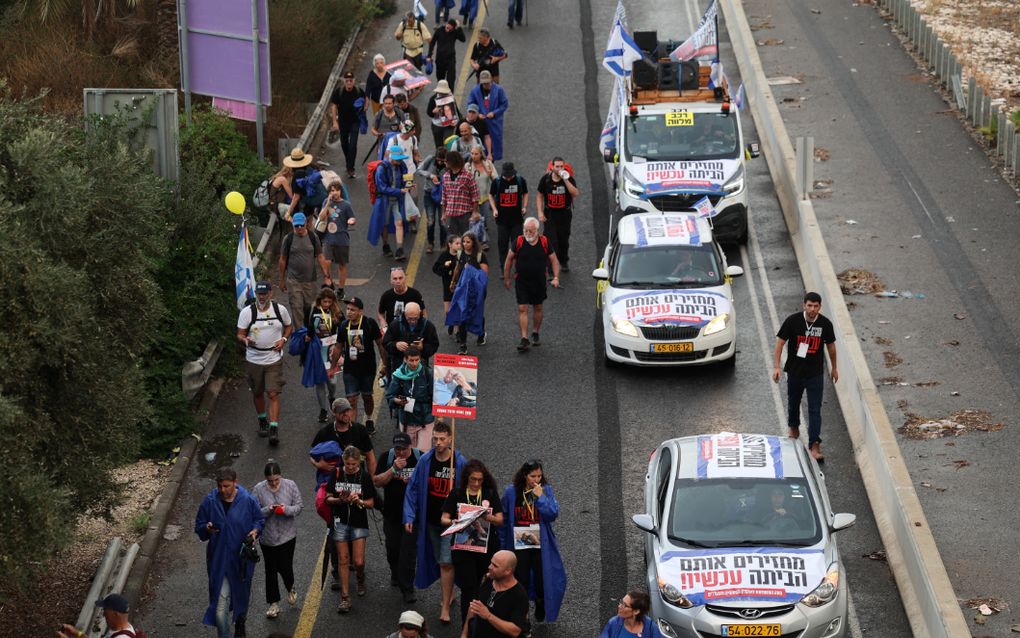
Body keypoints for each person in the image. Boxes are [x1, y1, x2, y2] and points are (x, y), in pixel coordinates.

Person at [403, 421, 468, 624]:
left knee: (446, 562)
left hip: (451, 524)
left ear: (450, 439)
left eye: (442, 439)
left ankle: (445, 606)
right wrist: (409, 516)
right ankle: (450, 592)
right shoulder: (425, 461)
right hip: (431, 521)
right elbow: (413, 489)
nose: (438, 443)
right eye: (435, 439)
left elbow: (469, 489)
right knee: (441, 560)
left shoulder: (459, 462)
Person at [195, 468, 265, 638]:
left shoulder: (248, 500)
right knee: (220, 611)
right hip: (219, 561)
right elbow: (199, 526)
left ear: (235, 482)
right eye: (219, 486)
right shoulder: (210, 501)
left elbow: (259, 520)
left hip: (241, 561)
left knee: (241, 593)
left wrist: (255, 531)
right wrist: (206, 528)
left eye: (226, 486)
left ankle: (241, 621)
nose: (222, 490)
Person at [499, 460, 566, 628]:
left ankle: (540, 601)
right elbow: (504, 520)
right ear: (524, 475)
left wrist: (541, 497)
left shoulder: (546, 490)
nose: (536, 480)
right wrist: (501, 546)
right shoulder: (511, 492)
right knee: (519, 580)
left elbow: (552, 514)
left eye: (539, 476)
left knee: (542, 579)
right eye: (532, 476)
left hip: (539, 543)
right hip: (518, 543)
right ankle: (523, 617)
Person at [772, 292, 838, 461]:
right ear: (804, 305)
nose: (812, 309)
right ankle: (794, 428)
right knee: (793, 402)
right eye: (809, 305)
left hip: (815, 374)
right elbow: (780, 342)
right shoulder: (793, 321)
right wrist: (777, 366)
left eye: (816, 306)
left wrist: (834, 368)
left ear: (819, 307)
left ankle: (814, 444)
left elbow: (831, 346)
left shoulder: (825, 324)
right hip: (795, 371)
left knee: (815, 409)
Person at [441, 459, 504, 626]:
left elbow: (499, 520)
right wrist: (453, 521)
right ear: (466, 478)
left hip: (486, 549)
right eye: (473, 479)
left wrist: (487, 517)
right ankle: (466, 628)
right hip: (463, 549)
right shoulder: (457, 493)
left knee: (484, 588)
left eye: (480, 480)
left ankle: (483, 625)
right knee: (468, 589)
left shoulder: (489, 493)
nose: (476, 483)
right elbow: (443, 518)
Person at [237, 281, 293, 444]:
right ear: (256, 294)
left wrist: (283, 339)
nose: (262, 297)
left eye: (265, 293)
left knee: (273, 393)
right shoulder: (247, 312)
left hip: (273, 358)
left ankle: (274, 429)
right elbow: (239, 334)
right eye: (259, 294)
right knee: (257, 392)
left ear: (270, 294)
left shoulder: (279, 310)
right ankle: (262, 420)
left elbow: (289, 327)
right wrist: (245, 340)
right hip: (254, 359)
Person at [326, 445, 377, 613]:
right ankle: (345, 597)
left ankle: (361, 578)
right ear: (343, 461)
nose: (350, 467)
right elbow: (328, 498)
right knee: (343, 559)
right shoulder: (337, 473)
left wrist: (359, 501)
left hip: (358, 522)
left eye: (354, 464)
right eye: (348, 464)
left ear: (358, 463)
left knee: (358, 561)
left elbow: (370, 503)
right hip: (340, 521)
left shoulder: (364, 476)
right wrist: (339, 500)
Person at [375, 432, 423, 604]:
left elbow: (428, 482)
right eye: (397, 449)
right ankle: (395, 572)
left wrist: (414, 480)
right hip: (392, 515)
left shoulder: (420, 459)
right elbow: (377, 481)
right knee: (393, 548)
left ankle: (408, 588)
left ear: (410, 447)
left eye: (404, 449)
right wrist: (393, 469)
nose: (401, 452)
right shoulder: (386, 458)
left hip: (412, 517)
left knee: (409, 554)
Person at [252, 462, 304, 620]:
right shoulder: (258, 489)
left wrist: (286, 509)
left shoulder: (290, 485)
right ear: (265, 479)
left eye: (276, 480)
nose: (274, 483)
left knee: (285, 566)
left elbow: (299, 506)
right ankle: (273, 603)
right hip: (267, 537)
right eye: (270, 481)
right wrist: (268, 510)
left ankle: (290, 586)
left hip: (287, 536)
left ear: (281, 476)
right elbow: (253, 512)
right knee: (270, 570)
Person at [503, 218, 560, 352]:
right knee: (522, 308)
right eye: (525, 230)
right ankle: (524, 338)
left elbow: (554, 261)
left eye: (530, 230)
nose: (527, 233)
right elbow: (509, 259)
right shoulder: (518, 241)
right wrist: (506, 277)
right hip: (522, 281)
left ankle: (535, 332)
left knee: (538, 307)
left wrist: (556, 277)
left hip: (539, 281)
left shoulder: (545, 242)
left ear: (537, 231)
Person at [337, 297, 386, 433]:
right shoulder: (344, 326)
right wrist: (332, 366)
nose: (349, 312)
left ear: (360, 311)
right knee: (351, 399)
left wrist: (385, 364)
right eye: (347, 309)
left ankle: (369, 419)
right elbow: (338, 346)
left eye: (353, 310)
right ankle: (353, 429)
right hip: (350, 369)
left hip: (367, 368)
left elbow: (380, 344)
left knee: (367, 397)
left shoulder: (369, 324)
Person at [278, 213, 330, 330]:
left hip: (310, 281)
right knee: (297, 308)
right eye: (297, 226)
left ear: (306, 224)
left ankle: (310, 334)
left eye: (302, 225)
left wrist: (327, 276)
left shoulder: (313, 237)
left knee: (310, 308)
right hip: (293, 281)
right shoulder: (288, 239)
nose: (299, 228)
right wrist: (281, 280)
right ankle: (300, 336)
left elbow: (320, 256)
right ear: (293, 225)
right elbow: (282, 260)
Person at [460, 550, 529, 638]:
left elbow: (515, 631)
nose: (489, 567)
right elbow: (473, 608)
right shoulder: (487, 578)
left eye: (495, 566)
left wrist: (488, 616)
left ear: (508, 571)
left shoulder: (519, 595)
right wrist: (464, 634)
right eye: (491, 563)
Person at [386, 346, 436, 449]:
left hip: (425, 419)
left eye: (417, 360)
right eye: (411, 360)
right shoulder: (398, 375)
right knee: (410, 454)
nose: (414, 363)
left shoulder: (428, 373)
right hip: (407, 420)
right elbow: (390, 395)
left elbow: (436, 396)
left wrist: (440, 415)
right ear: (405, 359)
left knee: (423, 453)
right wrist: (397, 401)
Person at [536, 158, 580, 272]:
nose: (560, 169)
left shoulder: (569, 178)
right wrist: (540, 212)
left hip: (564, 214)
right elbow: (539, 195)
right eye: (557, 166)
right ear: (552, 167)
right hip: (550, 214)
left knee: (563, 240)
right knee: (551, 241)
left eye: (562, 166)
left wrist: (565, 180)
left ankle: (564, 260)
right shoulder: (545, 179)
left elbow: (575, 193)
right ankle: (550, 268)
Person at [447, 232, 488, 354]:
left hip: (476, 290)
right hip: (463, 289)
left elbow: (484, 275)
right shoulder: (460, 253)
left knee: (476, 312)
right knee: (462, 314)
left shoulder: (480, 255)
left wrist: (470, 269)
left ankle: (481, 333)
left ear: (473, 243)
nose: (465, 244)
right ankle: (463, 345)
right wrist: (453, 282)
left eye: (468, 242)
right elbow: (457, 268)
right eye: (463, 242)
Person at [369, 145, 413, 260]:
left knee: (399, 222)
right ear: (392, 158)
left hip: (396, 199)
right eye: (398, 159)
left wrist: (408, 185)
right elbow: (382, 188)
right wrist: (399, 191)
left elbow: (405, 179)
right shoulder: (381, 168)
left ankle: (399, 249)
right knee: (384, 224)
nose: (400, 161)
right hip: (385, 200)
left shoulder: (401, 165)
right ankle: (385, 245)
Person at [317, 181, 357, 300]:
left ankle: (341, 289)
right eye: (331, 191)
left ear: (340, 191)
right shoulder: (326, 202)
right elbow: (321, 217)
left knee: (342, 265)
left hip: (342, 238)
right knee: (326, 262)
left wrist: (352, 221)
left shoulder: (346, 205)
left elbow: (352, 217)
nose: (334, 193)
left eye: (336, 190)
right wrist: (328, 203)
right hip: (328, 238)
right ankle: (329, 282)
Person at [309, 288, 342, 423]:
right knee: (320, 383)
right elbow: (308, 328)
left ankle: (332, 398)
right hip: (317, 350)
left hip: (331, 351)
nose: (327, 304)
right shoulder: (312, 311)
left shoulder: (337, 313)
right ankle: (323, 410)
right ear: (319, 300)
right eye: (324, 301)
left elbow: (344, 327)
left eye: (329, 302)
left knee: (332, 382)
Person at [383, 301, 440, 376]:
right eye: (409, 318)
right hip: (399, 367)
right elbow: (386, 343)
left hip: (419, 368)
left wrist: (422, 348)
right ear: (405, 314)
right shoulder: (395, 325)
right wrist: (395, 345)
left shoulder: (428, 326)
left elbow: (434, 345)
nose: (413, 321)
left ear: (420, 313)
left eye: (415, 318)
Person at [489, 162, 528, 268]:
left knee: (518, 245)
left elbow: (525, 193)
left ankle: (518, 267)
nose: (509, 178)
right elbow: (491, 195)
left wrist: (524, 206)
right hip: (502, 220)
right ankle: (503, 266)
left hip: (517, 220)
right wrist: (494, 209)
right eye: (506, 176)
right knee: (502, 245)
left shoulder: (520, 180)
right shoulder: (497, 182)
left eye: (510, 176)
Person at [329, 71, 367, 179]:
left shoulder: (359, 91)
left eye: (351, 80)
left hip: (355, 122)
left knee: (353, 144)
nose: (349, 82)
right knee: (344, 144)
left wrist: (365, 108)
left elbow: (366, 100)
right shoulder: (339, 92)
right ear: (344, 81)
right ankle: (348, 161)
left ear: (354, 81)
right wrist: (334, 121)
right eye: (347, 81)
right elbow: (334, 106)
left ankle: (351, 168)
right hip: (343, 122)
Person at [467, 71, 509, 161]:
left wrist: (494, 113)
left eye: (487, 83)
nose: (486, 85)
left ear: (491, 80)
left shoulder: (499, 90)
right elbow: (470, 103)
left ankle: (491, 162)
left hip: (494, 123)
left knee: (493, 147)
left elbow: (504, 104)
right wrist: (477, 114)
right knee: (479, 146)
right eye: (484, 83)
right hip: (480, 123)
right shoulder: (475, 90)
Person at [57, 593, 136, 638]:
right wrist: (76, 633)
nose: (104, 614)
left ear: (116, 614)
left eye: (106, 610)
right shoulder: (120, 628)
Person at [417, 148, 450, 252]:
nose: (440, 162)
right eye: (438, 160)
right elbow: (419, 170)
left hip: (443, 195)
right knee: (430, 220)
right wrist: (430, 175)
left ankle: (443, 243)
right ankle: (430, 243)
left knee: (443, 221)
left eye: (443, 160)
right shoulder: (430, 159)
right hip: (429, 194)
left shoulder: (448, 164)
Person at [442, 151, 479, 238]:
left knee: (466, 238)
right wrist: (444, 213)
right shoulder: (445, 176)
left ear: (452, 161)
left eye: (446, 161)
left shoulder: (468, 176)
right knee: (452, 239)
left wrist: (475, 212)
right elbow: (444, 196)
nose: (445, 162)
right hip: (450, 214)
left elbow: (475, 196)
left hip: (465, 214)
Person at [599, 591, 663, 638]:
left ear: (636, 611)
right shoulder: (613, 623)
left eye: (625, 605)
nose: (619, 606)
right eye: (621, 602)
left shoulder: (652, 629)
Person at [427, 18, 466, 88]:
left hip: (450, 59)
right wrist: (429, 56)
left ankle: (450, 96)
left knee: (451, 79)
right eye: (448, 25)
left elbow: (463, 39)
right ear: (446, 24)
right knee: (440, 80)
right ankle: (441, 94)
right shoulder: (439, 30)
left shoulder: (454, 32)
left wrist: (459, 27)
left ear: (453, 27)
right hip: (440, 59)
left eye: (451, 27)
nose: (448, 28)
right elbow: (432, 43)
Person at [468, 146, 497, 234]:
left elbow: (496, 179)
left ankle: (482, 236)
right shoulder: (468, 166)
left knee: (484, 219)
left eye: (476, 154)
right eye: (472, 154)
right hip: (472, 199)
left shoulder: (488, 164)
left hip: (485, 196)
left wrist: (491, 174)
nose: (474, 156)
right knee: (474, 219)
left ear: (481, 154)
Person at [432, 234, 462, 320]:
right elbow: (435, 269)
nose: (459, 245)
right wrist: (445, 266)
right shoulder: (444, 255)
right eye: (457, 243)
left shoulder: (462, 255)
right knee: (447, 309)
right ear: (450, 245)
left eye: (460, 243)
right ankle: (451, 322)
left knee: (458, 308)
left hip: (460, 284)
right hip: (448, 285)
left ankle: (457, 329)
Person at [426, 81, 461, 149]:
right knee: (439, 147)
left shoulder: (451, 97)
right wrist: (433, 112)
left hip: (449, 126)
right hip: (437, 125)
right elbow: (428, 112)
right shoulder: (433, 99)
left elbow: (455, 111)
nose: (442, 94)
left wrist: (455, 122)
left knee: (449, 144)